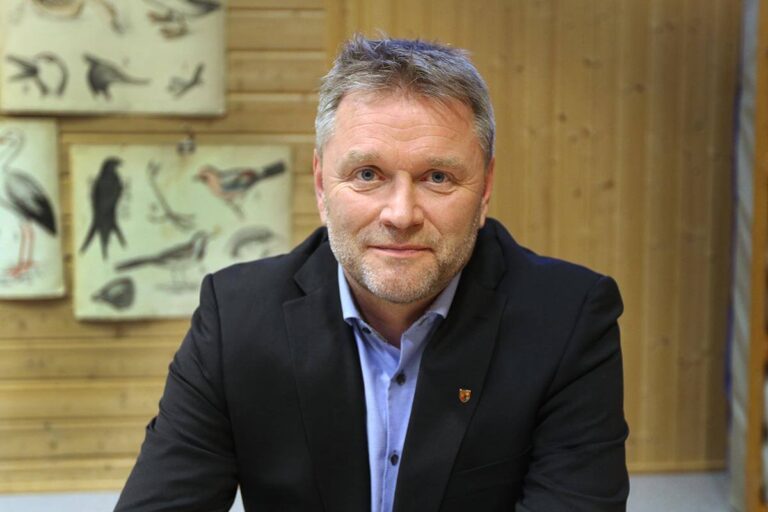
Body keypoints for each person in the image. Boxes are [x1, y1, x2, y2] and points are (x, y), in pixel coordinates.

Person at [115, 35, 629, 512]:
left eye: (437, 177)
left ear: (486, 186)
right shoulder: (236, 317)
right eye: (367, 175)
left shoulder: (568, 319)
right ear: (321, 184)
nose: (400, 214)